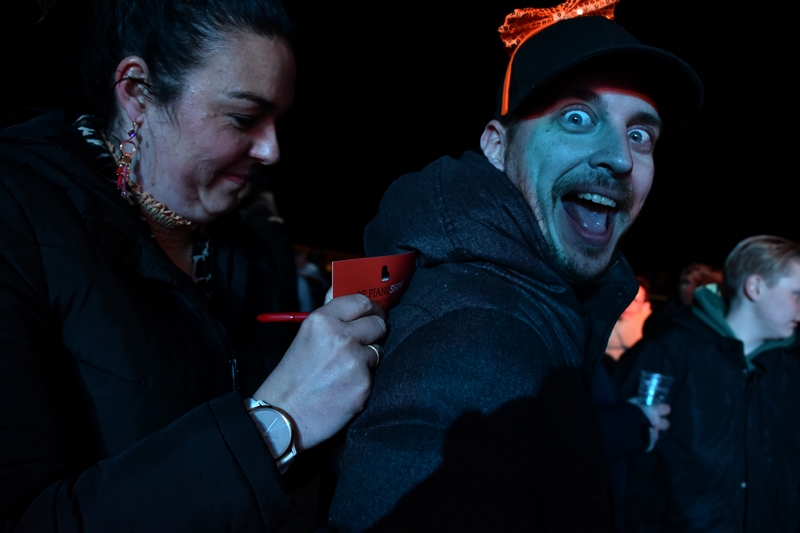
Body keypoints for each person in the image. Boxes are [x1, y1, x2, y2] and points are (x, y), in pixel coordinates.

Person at [0, 0, 386, 530]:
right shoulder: (18, 219)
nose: (271, 150)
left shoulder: (251, 244)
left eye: (277, 120)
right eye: (244, 118)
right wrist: (277, 421)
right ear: (137, 92)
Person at [329, 2, 703, 530]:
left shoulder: (534, 303)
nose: (621, 157)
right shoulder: (478, 340)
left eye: (640, 134)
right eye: (577, 118)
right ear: (496, 146)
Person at [620, 235, 800, 532]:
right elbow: (635, 460)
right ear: (755, 287)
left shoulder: (789, 368)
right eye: (796, 294)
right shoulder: (672, 352)